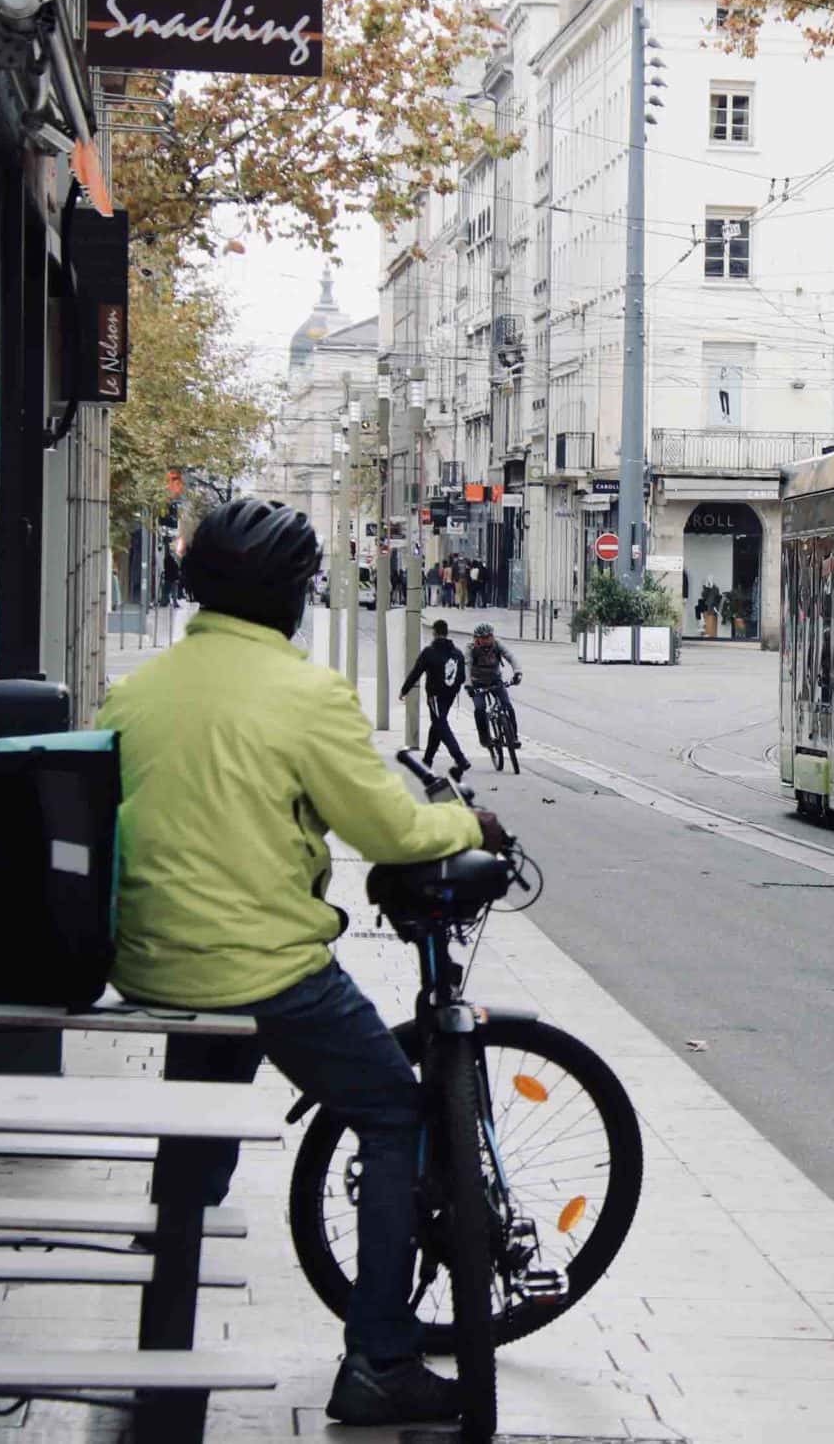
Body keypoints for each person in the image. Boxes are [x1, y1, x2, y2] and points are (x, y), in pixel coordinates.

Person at [99, 498, 509, 1426]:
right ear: (290, 596)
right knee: (393, 1111)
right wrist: (468, 823)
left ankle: (162, 1334)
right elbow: (390, 826)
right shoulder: (306, 693)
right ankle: (379, 1360)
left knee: (196, 1128)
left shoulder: (138, 688)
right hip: (262, 966)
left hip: (154, 961)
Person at [401, 617, 473, 780]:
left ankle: (460, 758)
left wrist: (404, 690)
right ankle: (427, 761)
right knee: (437, 724)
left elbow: (416, 672)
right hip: (450, 695)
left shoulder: (429, 652)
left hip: (435, 695)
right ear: (447, 633)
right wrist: (453, 688)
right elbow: (461, 676)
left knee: (440, 724)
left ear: (434, 632)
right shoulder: (457, 653)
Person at [466, 621, 524, 774]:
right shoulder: (471, 649)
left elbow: (511, 657)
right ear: (476, 638)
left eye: (489, 637)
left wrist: (517, 672)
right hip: (477, 682)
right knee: (480, 709)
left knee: (507, 705)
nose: (486, 640)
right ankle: (485, 737)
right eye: (483, 638)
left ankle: (514, 737)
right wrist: (468, 685)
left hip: (495, 679)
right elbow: (466, 665)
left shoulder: (497, 645)